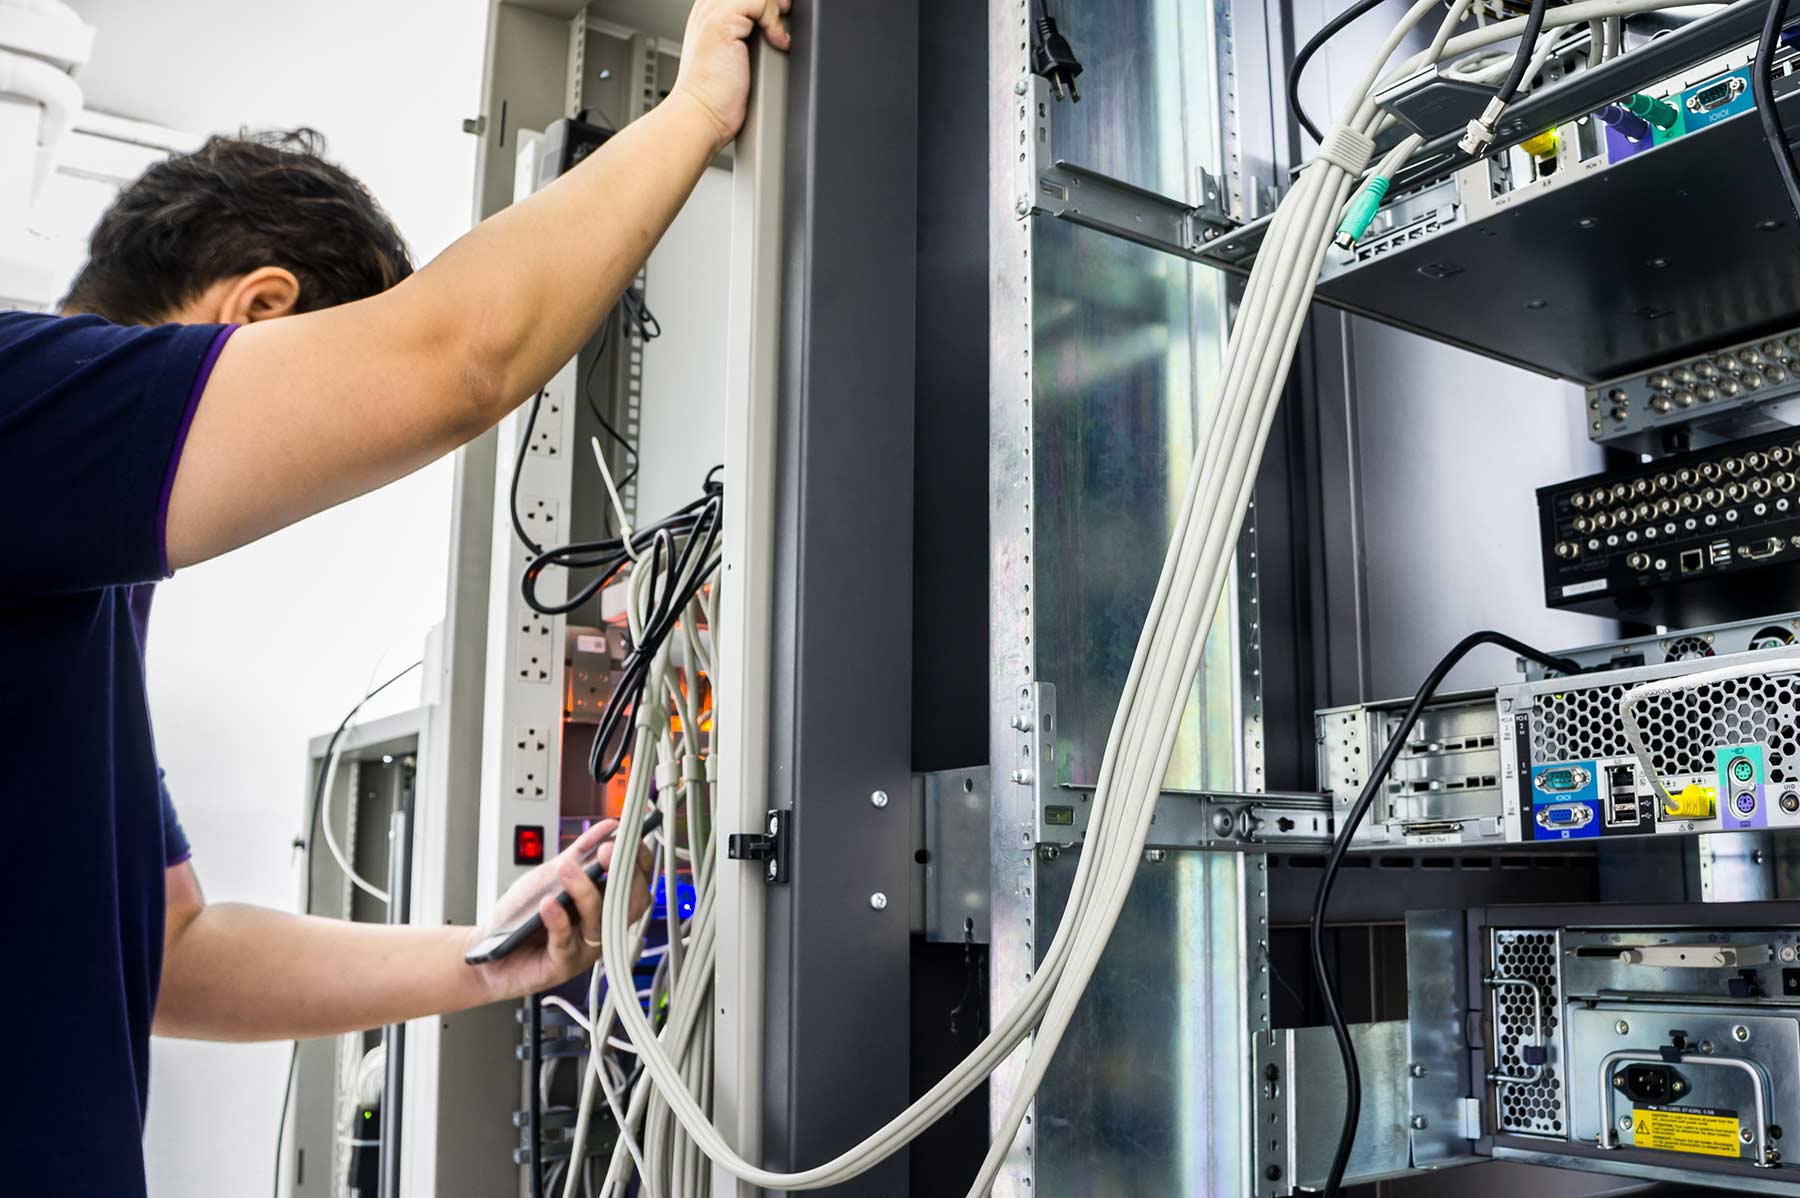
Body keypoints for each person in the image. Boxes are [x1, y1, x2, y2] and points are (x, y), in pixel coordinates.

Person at [0, 0, 790, 1193]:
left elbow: (169, 954)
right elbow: (450, 364)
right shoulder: (15, 406)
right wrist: (695, 110)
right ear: (259, 312)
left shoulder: (82, 590)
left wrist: (484, 957)